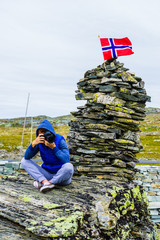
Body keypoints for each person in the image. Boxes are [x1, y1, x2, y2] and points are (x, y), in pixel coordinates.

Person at [21, 119, 74, 193]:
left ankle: (48, 183)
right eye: (42, 132)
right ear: (38, 133)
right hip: (47, 174)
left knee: (69, 166)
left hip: (62, 177)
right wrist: (33, 144)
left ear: (51, 132)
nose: (45, 134)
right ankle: (45, 182)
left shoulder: (59, 139)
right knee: (24, 161)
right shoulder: (39, 141)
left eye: (46, 131)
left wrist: (54, 148)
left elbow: (66, 160)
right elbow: (27, 157)